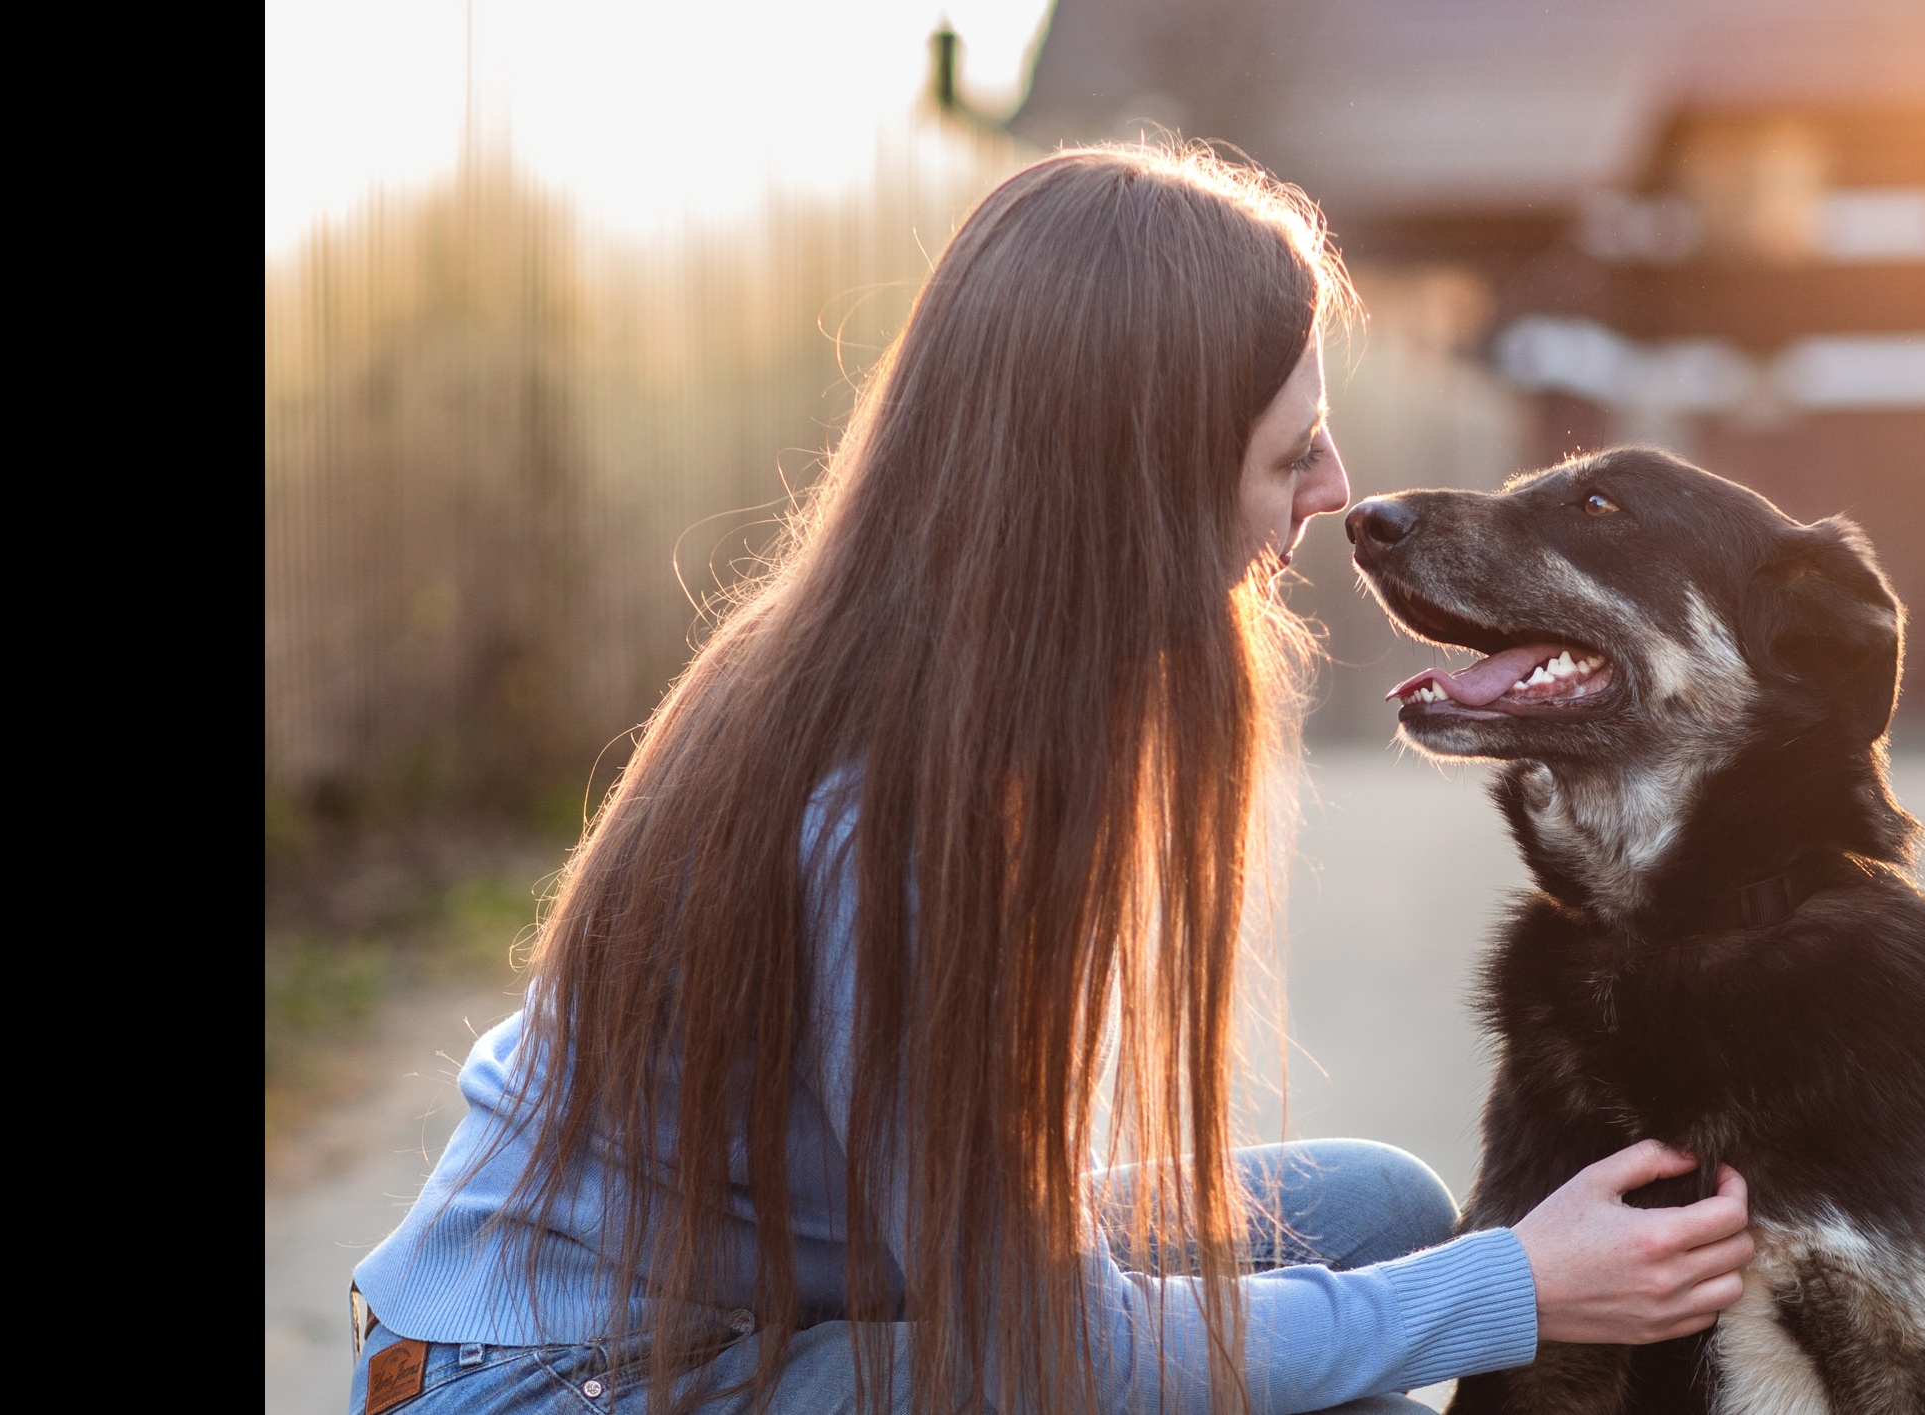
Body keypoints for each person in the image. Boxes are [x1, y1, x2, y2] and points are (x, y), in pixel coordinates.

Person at [345, 143, 1759, 1415]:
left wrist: (1476, 1287)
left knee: (1381, 1208)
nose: (1332, 488)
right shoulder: (902, 799)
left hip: (744, 1297)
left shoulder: (948, 676)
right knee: (1383, 1375)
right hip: (538, 1384)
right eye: (1287, 450)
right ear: (1133, 481)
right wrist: (1514, 1292)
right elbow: (1049, 1342)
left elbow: (994, 1251)